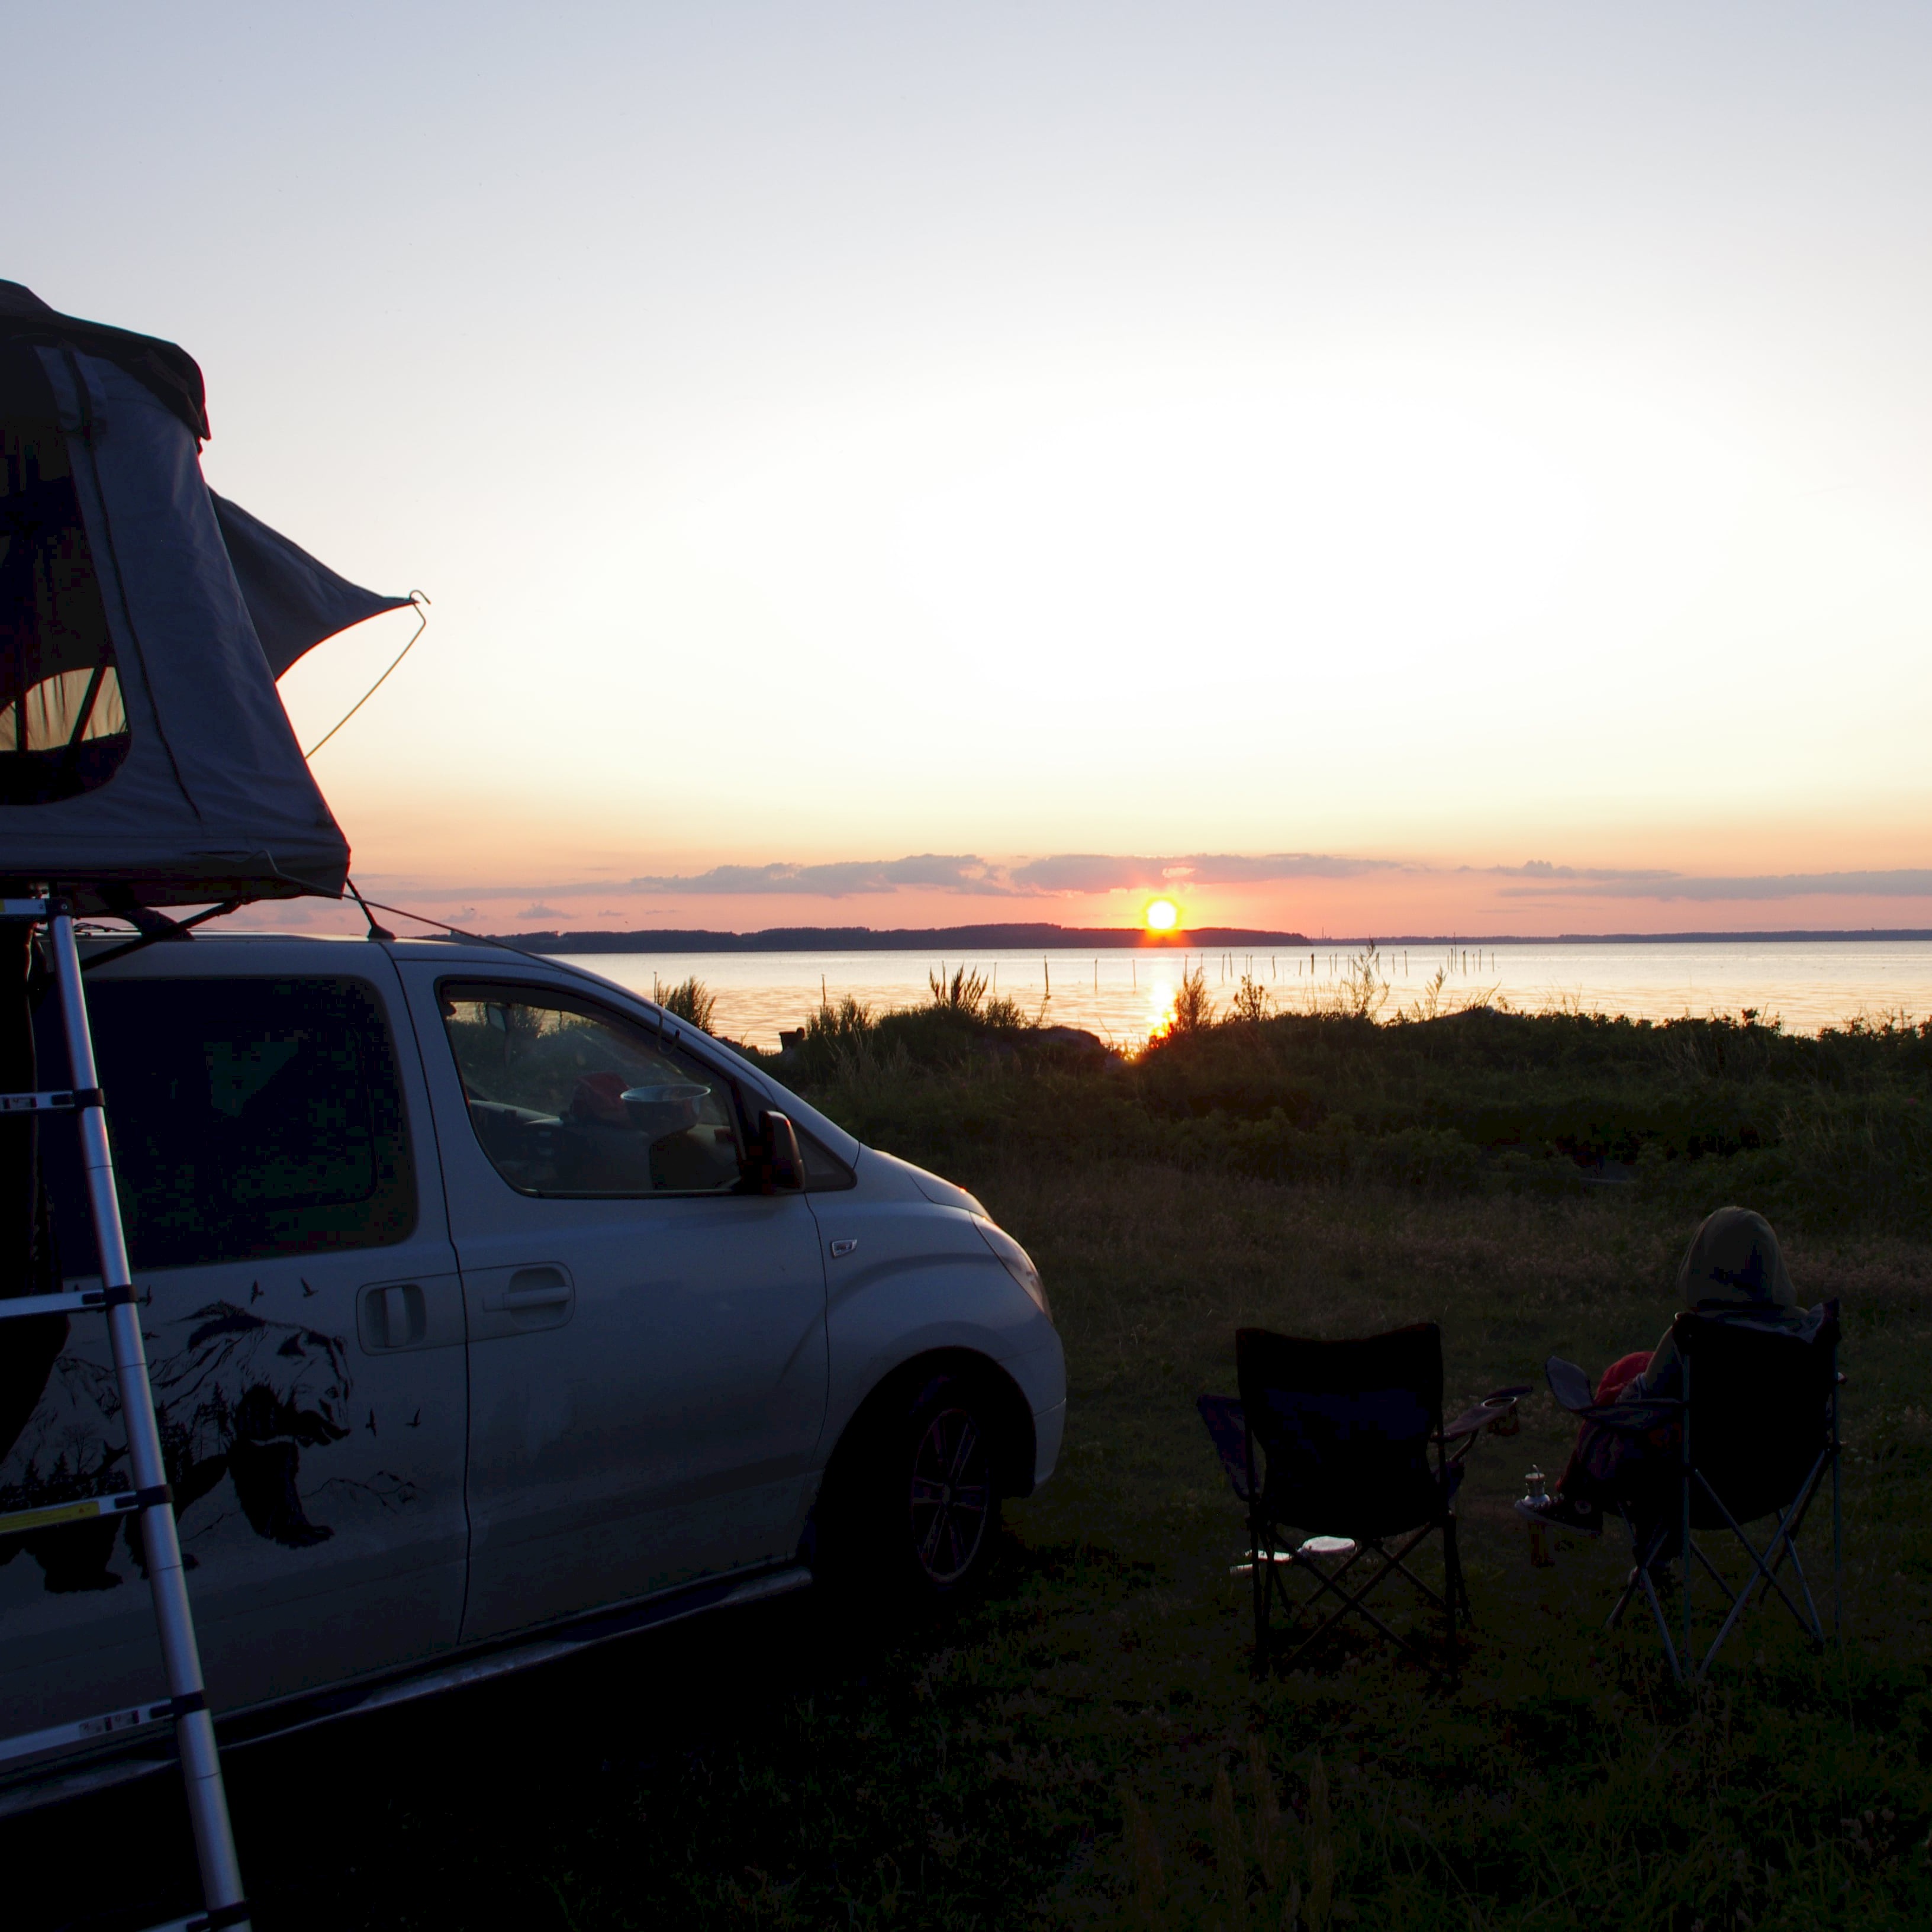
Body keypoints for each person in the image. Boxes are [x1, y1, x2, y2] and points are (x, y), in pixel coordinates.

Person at [1520, 1206, 1812, 1535]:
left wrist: (1612, 1397)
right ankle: (1617, 1527)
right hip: (1778, 1482)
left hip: (1697, 1487)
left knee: (1628, 1394)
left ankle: (1583, 1501)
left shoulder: (1696, 1334)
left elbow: (1637, 1402)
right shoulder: (1805, 1334)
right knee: (1636, 1367)